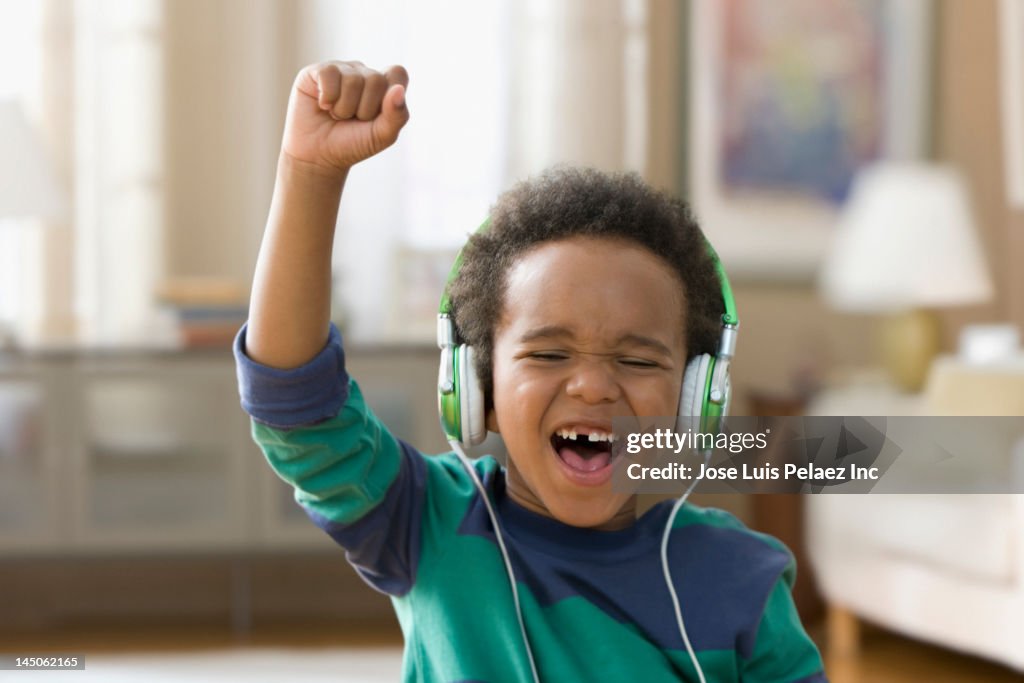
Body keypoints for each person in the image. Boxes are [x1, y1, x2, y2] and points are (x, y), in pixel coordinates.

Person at [234, 59, 827, 682]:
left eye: (635, 359)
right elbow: (294, 405)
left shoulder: (744, 580)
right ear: (478, 388)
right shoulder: (427, 524)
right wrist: (310, 175)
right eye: (548, 353)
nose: (594, 385)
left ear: (691, 402)